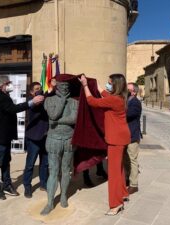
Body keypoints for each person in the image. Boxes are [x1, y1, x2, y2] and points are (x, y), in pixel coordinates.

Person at [79, 74, 131, 216]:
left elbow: (91, 101)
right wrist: (95, 83)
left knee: (113, 173)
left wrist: (85, 85)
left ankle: (116, 204)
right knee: (119, 168)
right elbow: (104, 93)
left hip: (116, 139)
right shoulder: (120, 97)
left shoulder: (114, 100)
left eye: (109, 83)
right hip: (121, 136)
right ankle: (123, 194)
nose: (107, 86)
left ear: (115, 85)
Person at [0, 75, 44, 200]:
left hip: (6, 136)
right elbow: (13, 109)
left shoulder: (4, 96)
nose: (10, 85)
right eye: (8, 83)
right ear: (3, 85)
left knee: (6, 161)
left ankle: (7, 185)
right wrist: (31, 102)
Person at [40, 75, 78, 215]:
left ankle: (63, 196)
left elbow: (73, 119)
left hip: (68, 138)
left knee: (66, 169)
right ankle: (50, 202)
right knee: (54, 171)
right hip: (54, 139)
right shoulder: (49, 100)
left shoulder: (74, 103)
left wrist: (58, 122)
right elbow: (53, 115)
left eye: (66, 86)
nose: (64, 88)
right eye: (62, 85)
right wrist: (62, 101)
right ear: (57, 86)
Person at [23, 82, 49, 198]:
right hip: (33, 138)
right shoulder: (31, 103)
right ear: (32, 92)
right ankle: (27, 187)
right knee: (30, 165)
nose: (40, 91)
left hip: (45, 137)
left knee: (44, 164)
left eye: (41, 89)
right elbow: (35, 107)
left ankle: (43, 184)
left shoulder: (44, 100)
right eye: (37, 89)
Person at [124, 82, 142, 195]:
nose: (125, 90)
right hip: (125, 135)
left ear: (134, 92)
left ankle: (134, 185)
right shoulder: (127, 101)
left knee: (132, 160)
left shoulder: (135, 102)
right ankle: (127, 178)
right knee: (126, 159)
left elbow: (127, 115)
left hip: (132, 135)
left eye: (128, 89)